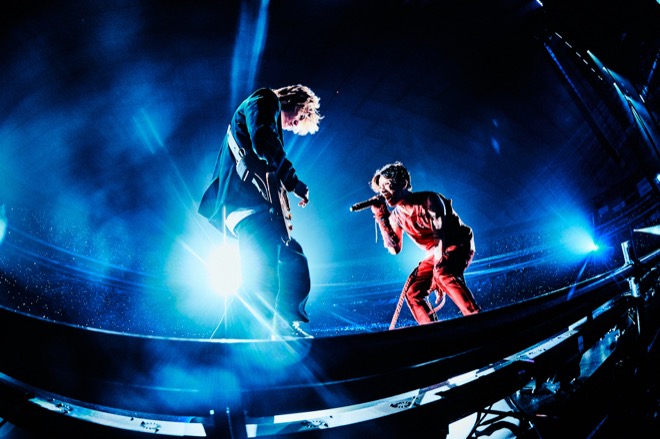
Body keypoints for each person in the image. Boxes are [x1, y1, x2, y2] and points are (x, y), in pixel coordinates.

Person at [198, 84, 323, 339]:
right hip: (245, 203)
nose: (293, 125)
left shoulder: (266, 108)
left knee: (293, 260)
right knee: (263, 280)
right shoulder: (265, 99)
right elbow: (264, 141)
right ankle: (240, 342)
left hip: (252, 206)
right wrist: (293, 182)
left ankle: (277, 326)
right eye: (299, 117)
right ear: (296, 101)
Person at [368, 161, 481, 325]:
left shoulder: (430, 200)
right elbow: (395, 249)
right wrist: (382, 218)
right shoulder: (397, 217)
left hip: (457, 243)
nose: (383, 191)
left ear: (403, 183)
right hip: (435, 253)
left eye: (387, 185)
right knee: (413, 291)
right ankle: (431, 329)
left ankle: (475, 318)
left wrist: (437, 274)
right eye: (381, 188)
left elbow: (440, 237)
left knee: (443, 272)